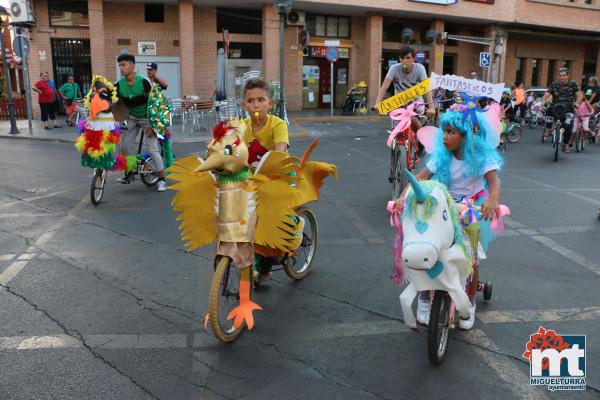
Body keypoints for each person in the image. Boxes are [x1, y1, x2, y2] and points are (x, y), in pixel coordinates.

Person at [393, 109, 503, 330]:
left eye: (451, 132)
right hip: (443, 205)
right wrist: (402, 197)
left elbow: (494, 182)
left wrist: (492, 199)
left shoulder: (479, 158)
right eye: (444, 130)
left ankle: (469, 300)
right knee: (425, 246)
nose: (444, 136)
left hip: (468, 207)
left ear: (466, 136)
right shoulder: (442, 157)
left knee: (471, 258)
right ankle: (424, 296)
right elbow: (420, 179)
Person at [241, 78, 290, 282]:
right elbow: (227, 146)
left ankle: (265, 268)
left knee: (268, 223)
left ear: (270, 103)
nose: (256, 104)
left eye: (261, 99)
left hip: (275, 178)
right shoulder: (241, 126)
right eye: (251, 101)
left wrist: (276, 157)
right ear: (244, 105)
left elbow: (280, 148)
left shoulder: (277, 125)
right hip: (249, 181)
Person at [114, 53, 167, 192]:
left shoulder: (144, 82)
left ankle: (162, 180)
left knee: (152, 148)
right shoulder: (119, 85)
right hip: (131, 118)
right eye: (120, 65)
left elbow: (154, 103)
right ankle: (131, 171)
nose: (121, 68)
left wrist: (152, 124)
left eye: (124, 64)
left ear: (132, 66)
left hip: (147, 118)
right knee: (125, 147)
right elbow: (106, 96)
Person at [375, 46, 436, 129]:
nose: (404, 61)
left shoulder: (420, 68)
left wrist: (431, 107)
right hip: (398, 103)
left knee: (411, 118)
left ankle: (420, 133)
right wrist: (378, 103)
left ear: (413, 58)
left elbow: (426, 88)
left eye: (408, 58)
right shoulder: (394, 68)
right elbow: (385, 86)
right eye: (402, 58)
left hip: (416, 104)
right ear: (399, 59)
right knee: (397, 129)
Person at [542, 67, 582, 152]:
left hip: (568, 109)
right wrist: (543, 102)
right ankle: (549, 128)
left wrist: (577, 103)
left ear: (567, 76)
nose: (562, 77)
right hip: (555, 107)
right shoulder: (554, 85)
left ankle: (566, 143)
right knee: (548, 111)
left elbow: (580, 95)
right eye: (560, 75)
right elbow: (546, 95)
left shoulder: (573, 85)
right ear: (558, 76)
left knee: (568, 126)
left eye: (564, 75)